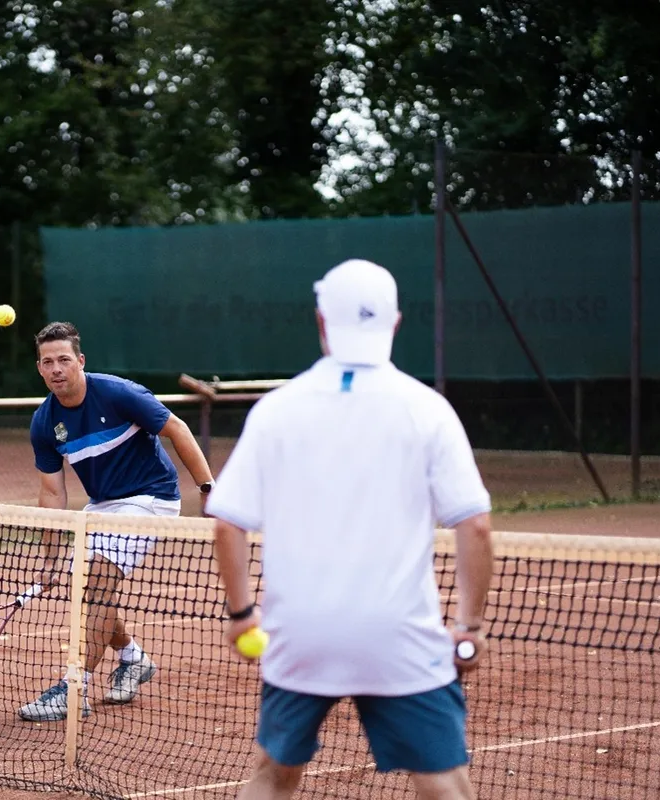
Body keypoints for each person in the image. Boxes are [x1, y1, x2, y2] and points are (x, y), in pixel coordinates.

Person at [205, 259, 495, 800]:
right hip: (402, 637)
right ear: (395, 323)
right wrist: (471, 628)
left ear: (321, 322)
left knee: (272, 774)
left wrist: (242, 614)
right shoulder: (428, 410)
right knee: (445, 783)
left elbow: (227, 522)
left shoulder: (276, 410)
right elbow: (475, 525)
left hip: (300, 636)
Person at [18, 321, 216, 722]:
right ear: (39, 369)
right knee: (85, 586)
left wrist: (209, 489)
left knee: (100, 577)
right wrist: (52, 557)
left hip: (151, 499)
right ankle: (132, 657)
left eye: (64, 360)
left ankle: (75, 688)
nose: (56, 369)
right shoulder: (44, 422)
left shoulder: (118, 393)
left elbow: (176, 428)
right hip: (104, 505)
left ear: (80, 361)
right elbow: (53, 493)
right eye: (47, 362)